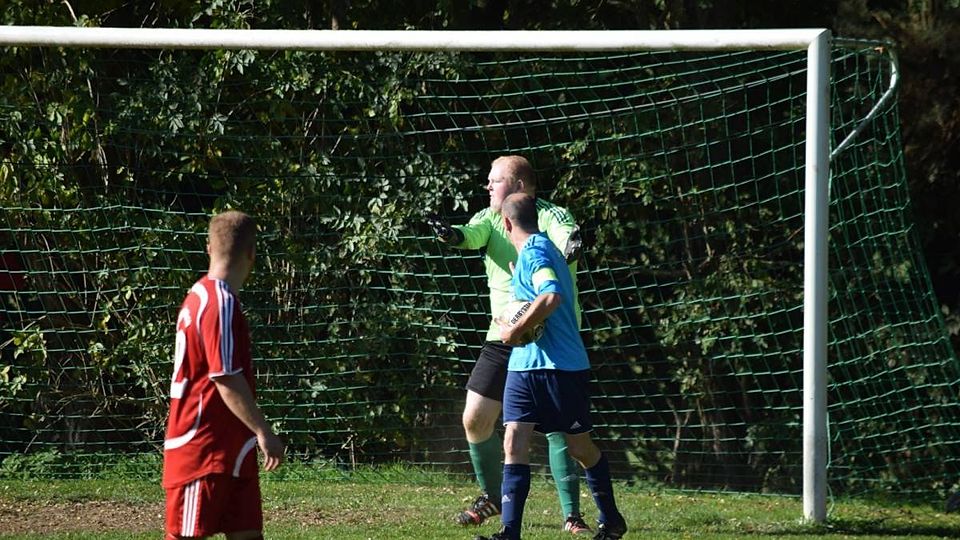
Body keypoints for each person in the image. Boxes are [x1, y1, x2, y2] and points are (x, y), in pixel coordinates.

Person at [428, 155, 590, 534]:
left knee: (558, 428)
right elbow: (470, 235)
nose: (487, 186)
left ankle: (572, 515)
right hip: (504, 335)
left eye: (494, 180)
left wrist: (572, 246)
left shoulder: (550, 215)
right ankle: (492, 496)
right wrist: (451, 235)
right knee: (475, 418)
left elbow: (566, 236)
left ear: (518, 186)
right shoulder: (490, 218)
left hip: (550, 335)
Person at [476, 193, 628, 540]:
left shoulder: (537, 251)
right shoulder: (533, 254)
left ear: (506, 223)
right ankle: (509, 532)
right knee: (514, 439)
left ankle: (611, 519)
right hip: (524, 365)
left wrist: (513, 329)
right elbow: (537, 293)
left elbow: (551, 295)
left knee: (579, 448)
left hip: (561, 367)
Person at [162, 210, 285, 540]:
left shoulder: (206, 297)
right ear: (252, 253)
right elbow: (225, 376)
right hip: (202, 448)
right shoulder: (218, 302)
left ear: (208, 248)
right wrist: (264, 431)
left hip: (232, 447)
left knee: (247, 533)